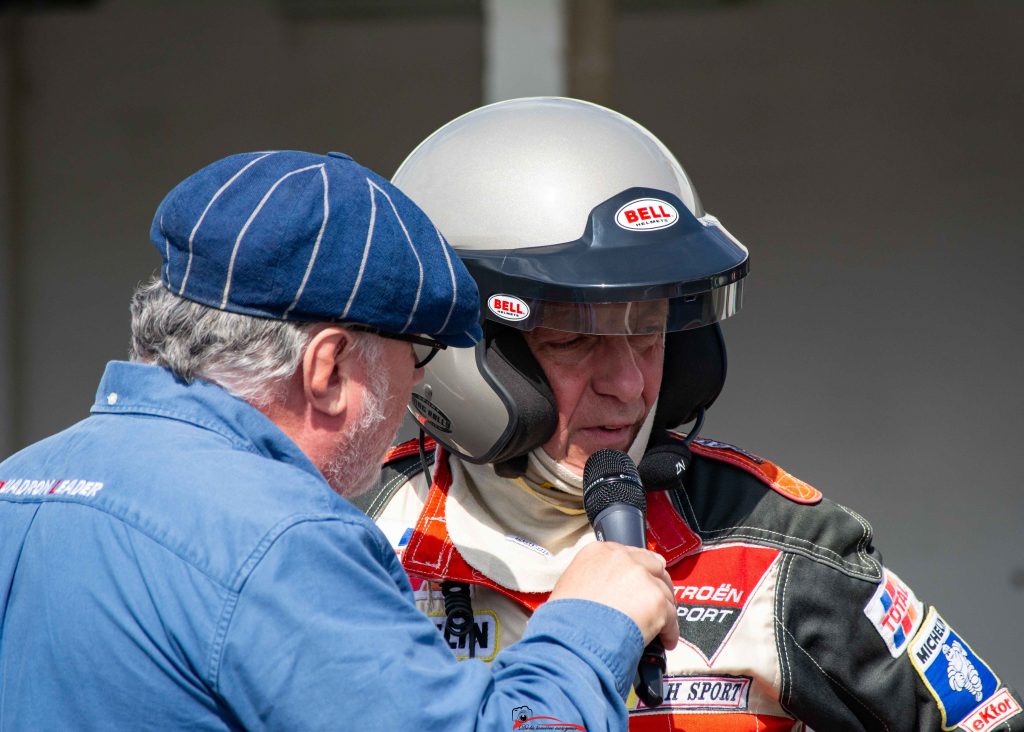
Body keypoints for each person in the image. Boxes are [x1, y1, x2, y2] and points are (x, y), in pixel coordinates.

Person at [363, 99, 1024, 731]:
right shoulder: (349, 541)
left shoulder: (775, 547)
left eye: (650, 333)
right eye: (573, 339)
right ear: (459, 348)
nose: (628, 386)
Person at [0, 150, 681, 731]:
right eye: (414, 355)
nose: (415, 393)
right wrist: (593, 620)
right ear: (326, 370)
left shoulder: (19, 486)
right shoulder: (277, 541)